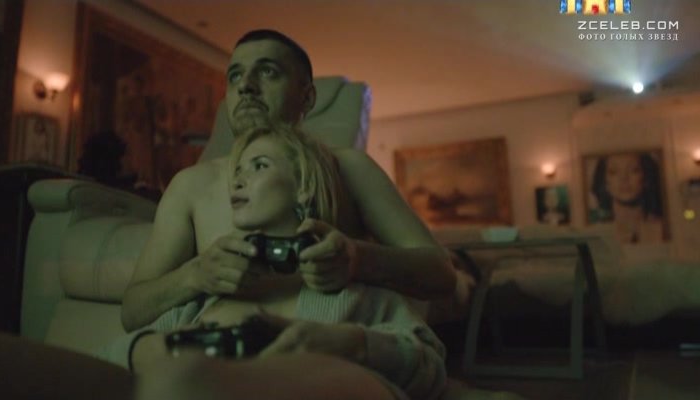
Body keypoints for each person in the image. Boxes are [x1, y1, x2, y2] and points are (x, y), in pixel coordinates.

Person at [120, 29, 457, 332]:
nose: (245, 85)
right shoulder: (190, 185)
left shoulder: (348, 168)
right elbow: (132, 311)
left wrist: (358, 259)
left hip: (326, 353)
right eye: (235, 75)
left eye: (268, 72)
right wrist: (194, 275)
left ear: (307, 98)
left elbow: (442, 274)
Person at [101, 124, 447, 400]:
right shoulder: (202, 301)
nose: (237, 180)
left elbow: (428, 365)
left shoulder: (353, 293)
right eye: (237, 171)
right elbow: (110, 356)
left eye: (259, 166)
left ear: (303, 187)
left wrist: (347, 344)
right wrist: (151, 349)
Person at [590, 152, 665, 244]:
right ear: (605, 182)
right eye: (614, 172)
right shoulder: (596, 231)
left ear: (646, 178)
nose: (624, 178)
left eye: (634, 170)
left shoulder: (663, 227)